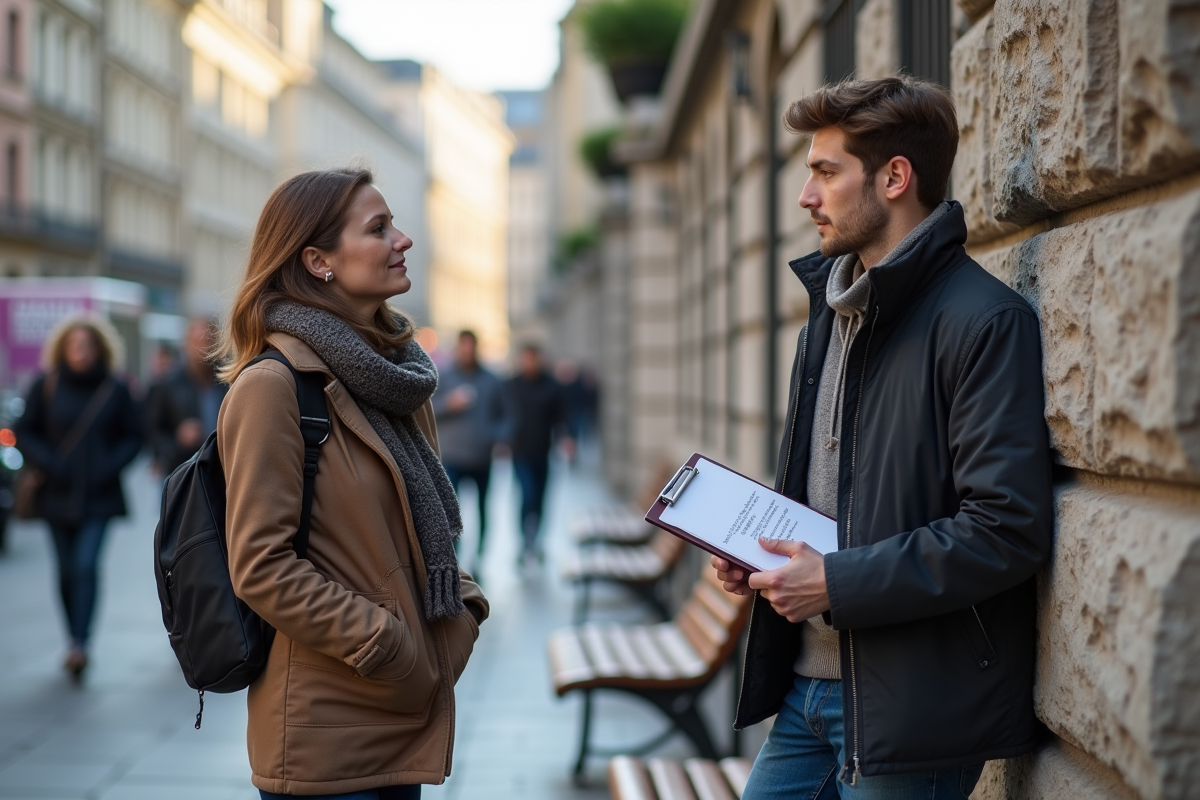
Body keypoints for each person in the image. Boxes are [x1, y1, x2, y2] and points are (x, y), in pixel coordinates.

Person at [712, 76, 1054, 799]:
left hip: (911, 712)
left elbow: (1006, 530)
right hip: (807, 691)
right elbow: (834, 495)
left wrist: (831, 582)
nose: (807, 197)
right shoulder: (830, 317)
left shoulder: (983, 321)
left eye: (825, 172)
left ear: (895, 176)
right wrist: (762, 554)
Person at [215, 168, 488, 799]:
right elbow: (259, 565)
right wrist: (387, 644)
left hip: (399, 709)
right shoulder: (272, 386)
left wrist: (462, 609)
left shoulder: (396, 377)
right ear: (318, 260)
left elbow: (419, 530)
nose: (403, 240)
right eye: (379, 228)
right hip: (329, 729)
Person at [13, 315, 143, 682]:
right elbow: (25, 432)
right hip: (56, 493)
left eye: (86, 346)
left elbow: (135, 436)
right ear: (62, 349)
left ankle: (80, 644)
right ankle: (73, 636)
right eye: (74, 346)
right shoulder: (47, 385)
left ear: (99, 349)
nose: (80, 352)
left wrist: (109, 465)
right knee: (66, 570)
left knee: (85, 566)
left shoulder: (115, 389)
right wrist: (50, 462)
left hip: (98, 496)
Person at [431, 330, 508, 567]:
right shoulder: (442, 377)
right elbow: (427, 410)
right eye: (462, 347)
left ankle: (480, 554)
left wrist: (497, 437)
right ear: (457, 348)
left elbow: (505, 414)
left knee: (483, 507)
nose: (467, 352)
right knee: (451, 511)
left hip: (481, 456)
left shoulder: (491, 380)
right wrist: (448, 404)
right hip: (451, 456)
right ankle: (454, 552)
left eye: (470, 347)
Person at [504, 344, 570, 564]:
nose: (530, 363)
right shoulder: (511, 385)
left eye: (533, 359)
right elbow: (502, 414)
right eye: (526, 359)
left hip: (543, 453)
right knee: (527, 494)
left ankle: (536, 540)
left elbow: (561, 416)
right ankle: (525, 540)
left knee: (540, 499)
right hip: (520, 453)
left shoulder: (551, 386)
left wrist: (566, 438)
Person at [146, 318, 228, 476]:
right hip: (182, 471)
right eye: (197, 341)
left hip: (221, 471)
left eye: (208, 341)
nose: (203, 348)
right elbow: (151, 429)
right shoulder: (168, 383)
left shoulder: (229, 380)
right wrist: (177, 441)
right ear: (186, 344)